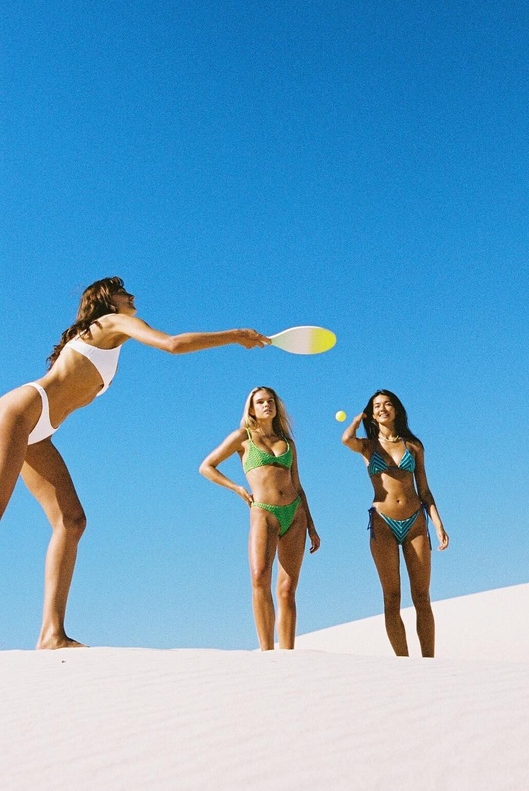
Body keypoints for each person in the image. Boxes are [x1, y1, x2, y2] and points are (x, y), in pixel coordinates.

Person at [0, 276, 269, 650]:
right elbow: (172, 344)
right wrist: (236, 335)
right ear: (107, 301)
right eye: (123, 292)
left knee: (72, 521)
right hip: (20, 412)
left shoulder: (108, 335)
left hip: (39, 432)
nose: (132, 296)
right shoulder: (112, 322)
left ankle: (51, 634)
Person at [199, 386, 319, 650]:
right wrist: (237, 488)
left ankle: (287, 653)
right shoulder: (242, 437)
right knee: (259, 577)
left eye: (270, 401)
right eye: (261, 402)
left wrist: (311, 526)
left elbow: (298, 485)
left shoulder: (287, 442)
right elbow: (206, 467)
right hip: (264, 512)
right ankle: (267, 652)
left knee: (287, 589)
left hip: (295, 514)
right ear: (251, 409)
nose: (267, 405)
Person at [342, 390, 448, 657]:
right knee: (391, 598)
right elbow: (346, 440)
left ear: (396, 410)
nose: (382, 408)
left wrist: (438, 524)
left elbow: (425, 490)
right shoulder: (368, 446)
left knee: (422, 597)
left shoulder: (413, 446)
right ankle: (403, 663)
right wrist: (356, 421)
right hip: (383, 523)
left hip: (416, 522)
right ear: (371, 414)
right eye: (376, 406)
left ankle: (429, 661)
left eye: (387, 404)